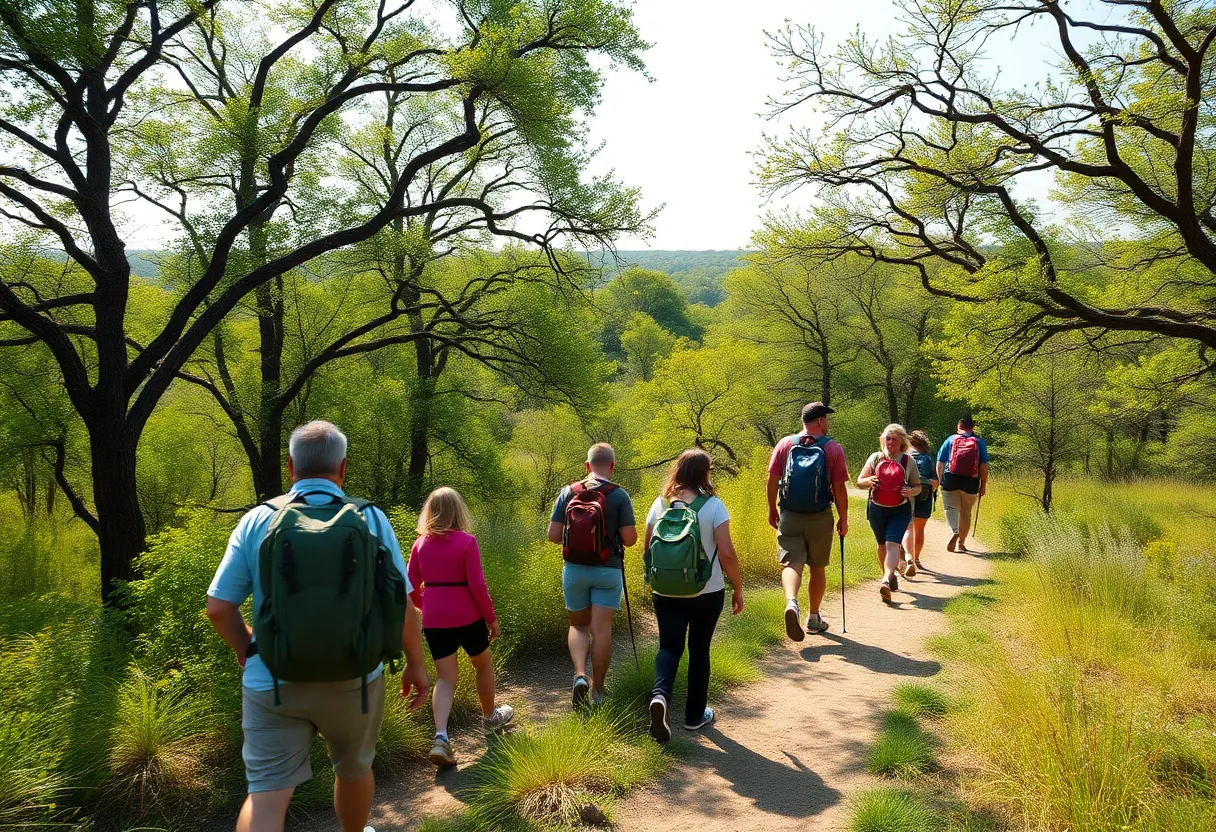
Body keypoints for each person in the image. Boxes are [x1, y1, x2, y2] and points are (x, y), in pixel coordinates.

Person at [206, 421, 430, 832]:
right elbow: (402, 606)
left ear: (291, 467)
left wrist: (246, 649)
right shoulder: (371, 519)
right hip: (355, 677)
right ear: (343, 469)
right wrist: (415, 663)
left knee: (267, 796)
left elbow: (219, 606)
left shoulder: (258, 520)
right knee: (354, 771)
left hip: (272, 679)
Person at [407, 487, 513, 768]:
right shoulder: (467, 542)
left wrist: (425, 603)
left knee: (445, 678)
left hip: (434, 619)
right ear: (458, 511)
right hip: (468, 617)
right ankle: (490, 718)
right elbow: (477, 586)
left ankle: (441, 737)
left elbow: (410, 587)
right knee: (483, 665)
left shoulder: (420, 545)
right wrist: (491, 618)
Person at [644, 449, 744, 742]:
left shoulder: (660, 503)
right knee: (699, 649)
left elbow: (648, 548)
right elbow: (726, 552)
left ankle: (660, 697)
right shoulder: (713, 505)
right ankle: (694, 716)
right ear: (704, 473)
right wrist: (737, 587)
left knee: (668, 648)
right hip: (706, 590)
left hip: (665, 589)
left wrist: (655, 581)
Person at [547, 443, 638, 708]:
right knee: (601, 631)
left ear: (587, 466)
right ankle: (597, 692)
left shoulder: (569, 492)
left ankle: (579, 675)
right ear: (612, 466)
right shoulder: (619, 496)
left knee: (578, 625)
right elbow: (630, 540)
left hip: (574, 570)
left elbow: (553, 535)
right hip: (608, 571)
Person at [767, 401, 850, 642]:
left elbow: (771, 481)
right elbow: (840, 490)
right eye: (827, 420)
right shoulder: (833, 448)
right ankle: (814, 618)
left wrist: (772, 509)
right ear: (820, 421)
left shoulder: (785, 444)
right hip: (820, 515)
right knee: (817, 567)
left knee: (791, 563)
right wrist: (843, 519)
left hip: (790, 514)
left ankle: (792, 603)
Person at [857, 424, 922, 603]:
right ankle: (889, 574)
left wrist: (910, 492)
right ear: (882, 440)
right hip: (877, 509)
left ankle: (885, 579)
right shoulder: (875, 458)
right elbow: (859, 481)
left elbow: (917, 486)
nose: (890, 442)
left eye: (894, 438)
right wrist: (869, 481)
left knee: (892, 544)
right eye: (887, 438)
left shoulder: (909, 461)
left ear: (902, 441)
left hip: (900, 510)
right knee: (881, 545)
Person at [936, 415, 990, 553]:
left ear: (959, 427)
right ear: (972, 427)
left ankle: (954, 530)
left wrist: (940, 480)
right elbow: (984, 465)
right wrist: (983, 484)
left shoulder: (950, 440)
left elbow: (940, 463)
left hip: (950, 478)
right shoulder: (979, 442)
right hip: (971, 481)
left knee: (950, 507)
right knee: (966, 512)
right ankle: (961, 543)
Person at [901, 430, 939, 574]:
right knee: (919, 530)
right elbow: (935, 483)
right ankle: (916, 559)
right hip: (925, 496)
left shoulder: (905, 457)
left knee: (906, 528)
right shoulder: (927, 459)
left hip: (906, 496)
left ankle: (906, 557)